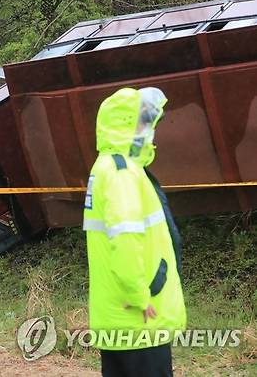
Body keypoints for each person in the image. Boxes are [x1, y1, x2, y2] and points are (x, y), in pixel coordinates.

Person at [83, 87, 186, 377]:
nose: (150, 132)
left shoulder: (107, 166)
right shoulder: (122, 173)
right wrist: (141, 296)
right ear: (128, 125)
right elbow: (126, 241)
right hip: (138, 315)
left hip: (120, 314)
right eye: (145, 124)